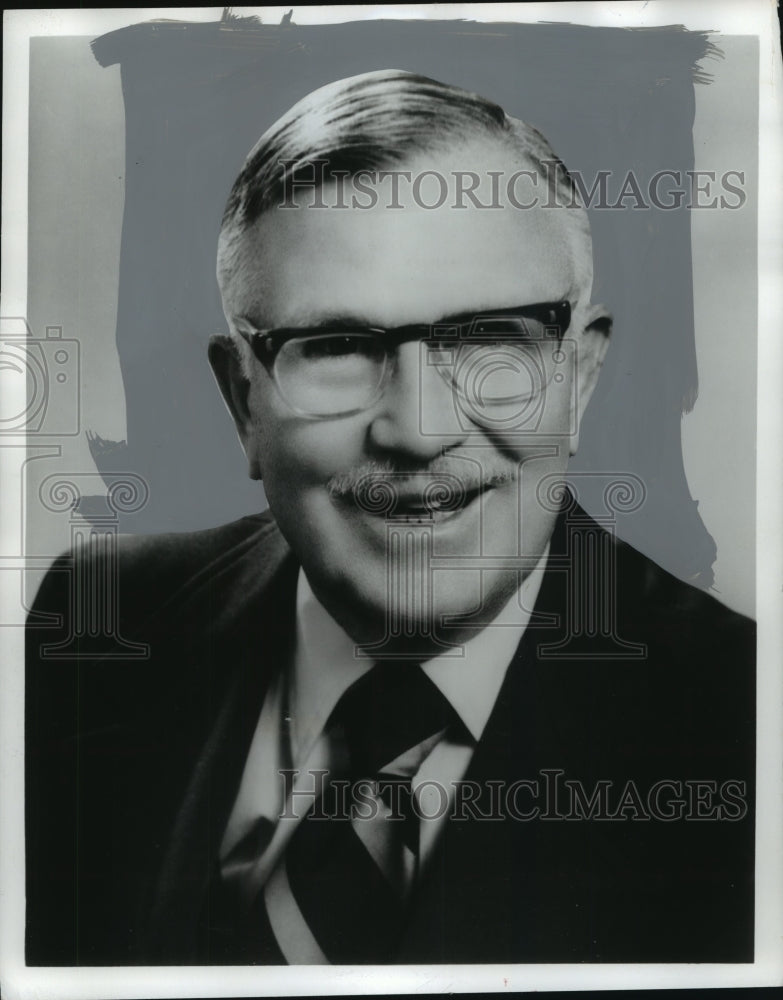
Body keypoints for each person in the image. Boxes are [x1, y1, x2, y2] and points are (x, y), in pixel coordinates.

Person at [26, 70, 755, 967]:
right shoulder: (94, 627)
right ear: (240, 401)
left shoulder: (750, 720)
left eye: (490, 337)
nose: (417, 428)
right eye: (335, 346)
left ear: (579, 378)